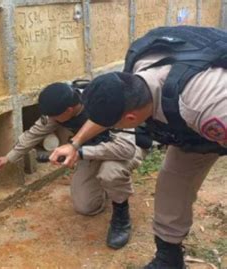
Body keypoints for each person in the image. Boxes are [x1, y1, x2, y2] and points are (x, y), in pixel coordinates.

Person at [49, 26, 227, 268]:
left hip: (212, 105)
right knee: (171, 183)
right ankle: (169, 259)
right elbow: (109, 110)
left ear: (131, 120)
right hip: (191, 119)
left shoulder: (204, 106)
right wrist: (75, 143)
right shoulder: (136, 73)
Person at [0, 82, 146, 250]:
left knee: (110, 173)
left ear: (69, 110)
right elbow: (35, 132)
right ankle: (106, 187)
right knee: (85, 206)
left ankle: (121, 214)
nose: (52, 120)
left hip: (128, 148)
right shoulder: (62, 108)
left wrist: (80, 153)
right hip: (92, 150)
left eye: (55, 116)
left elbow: (125, 149)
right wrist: (9, 157)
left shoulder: (105, 104)